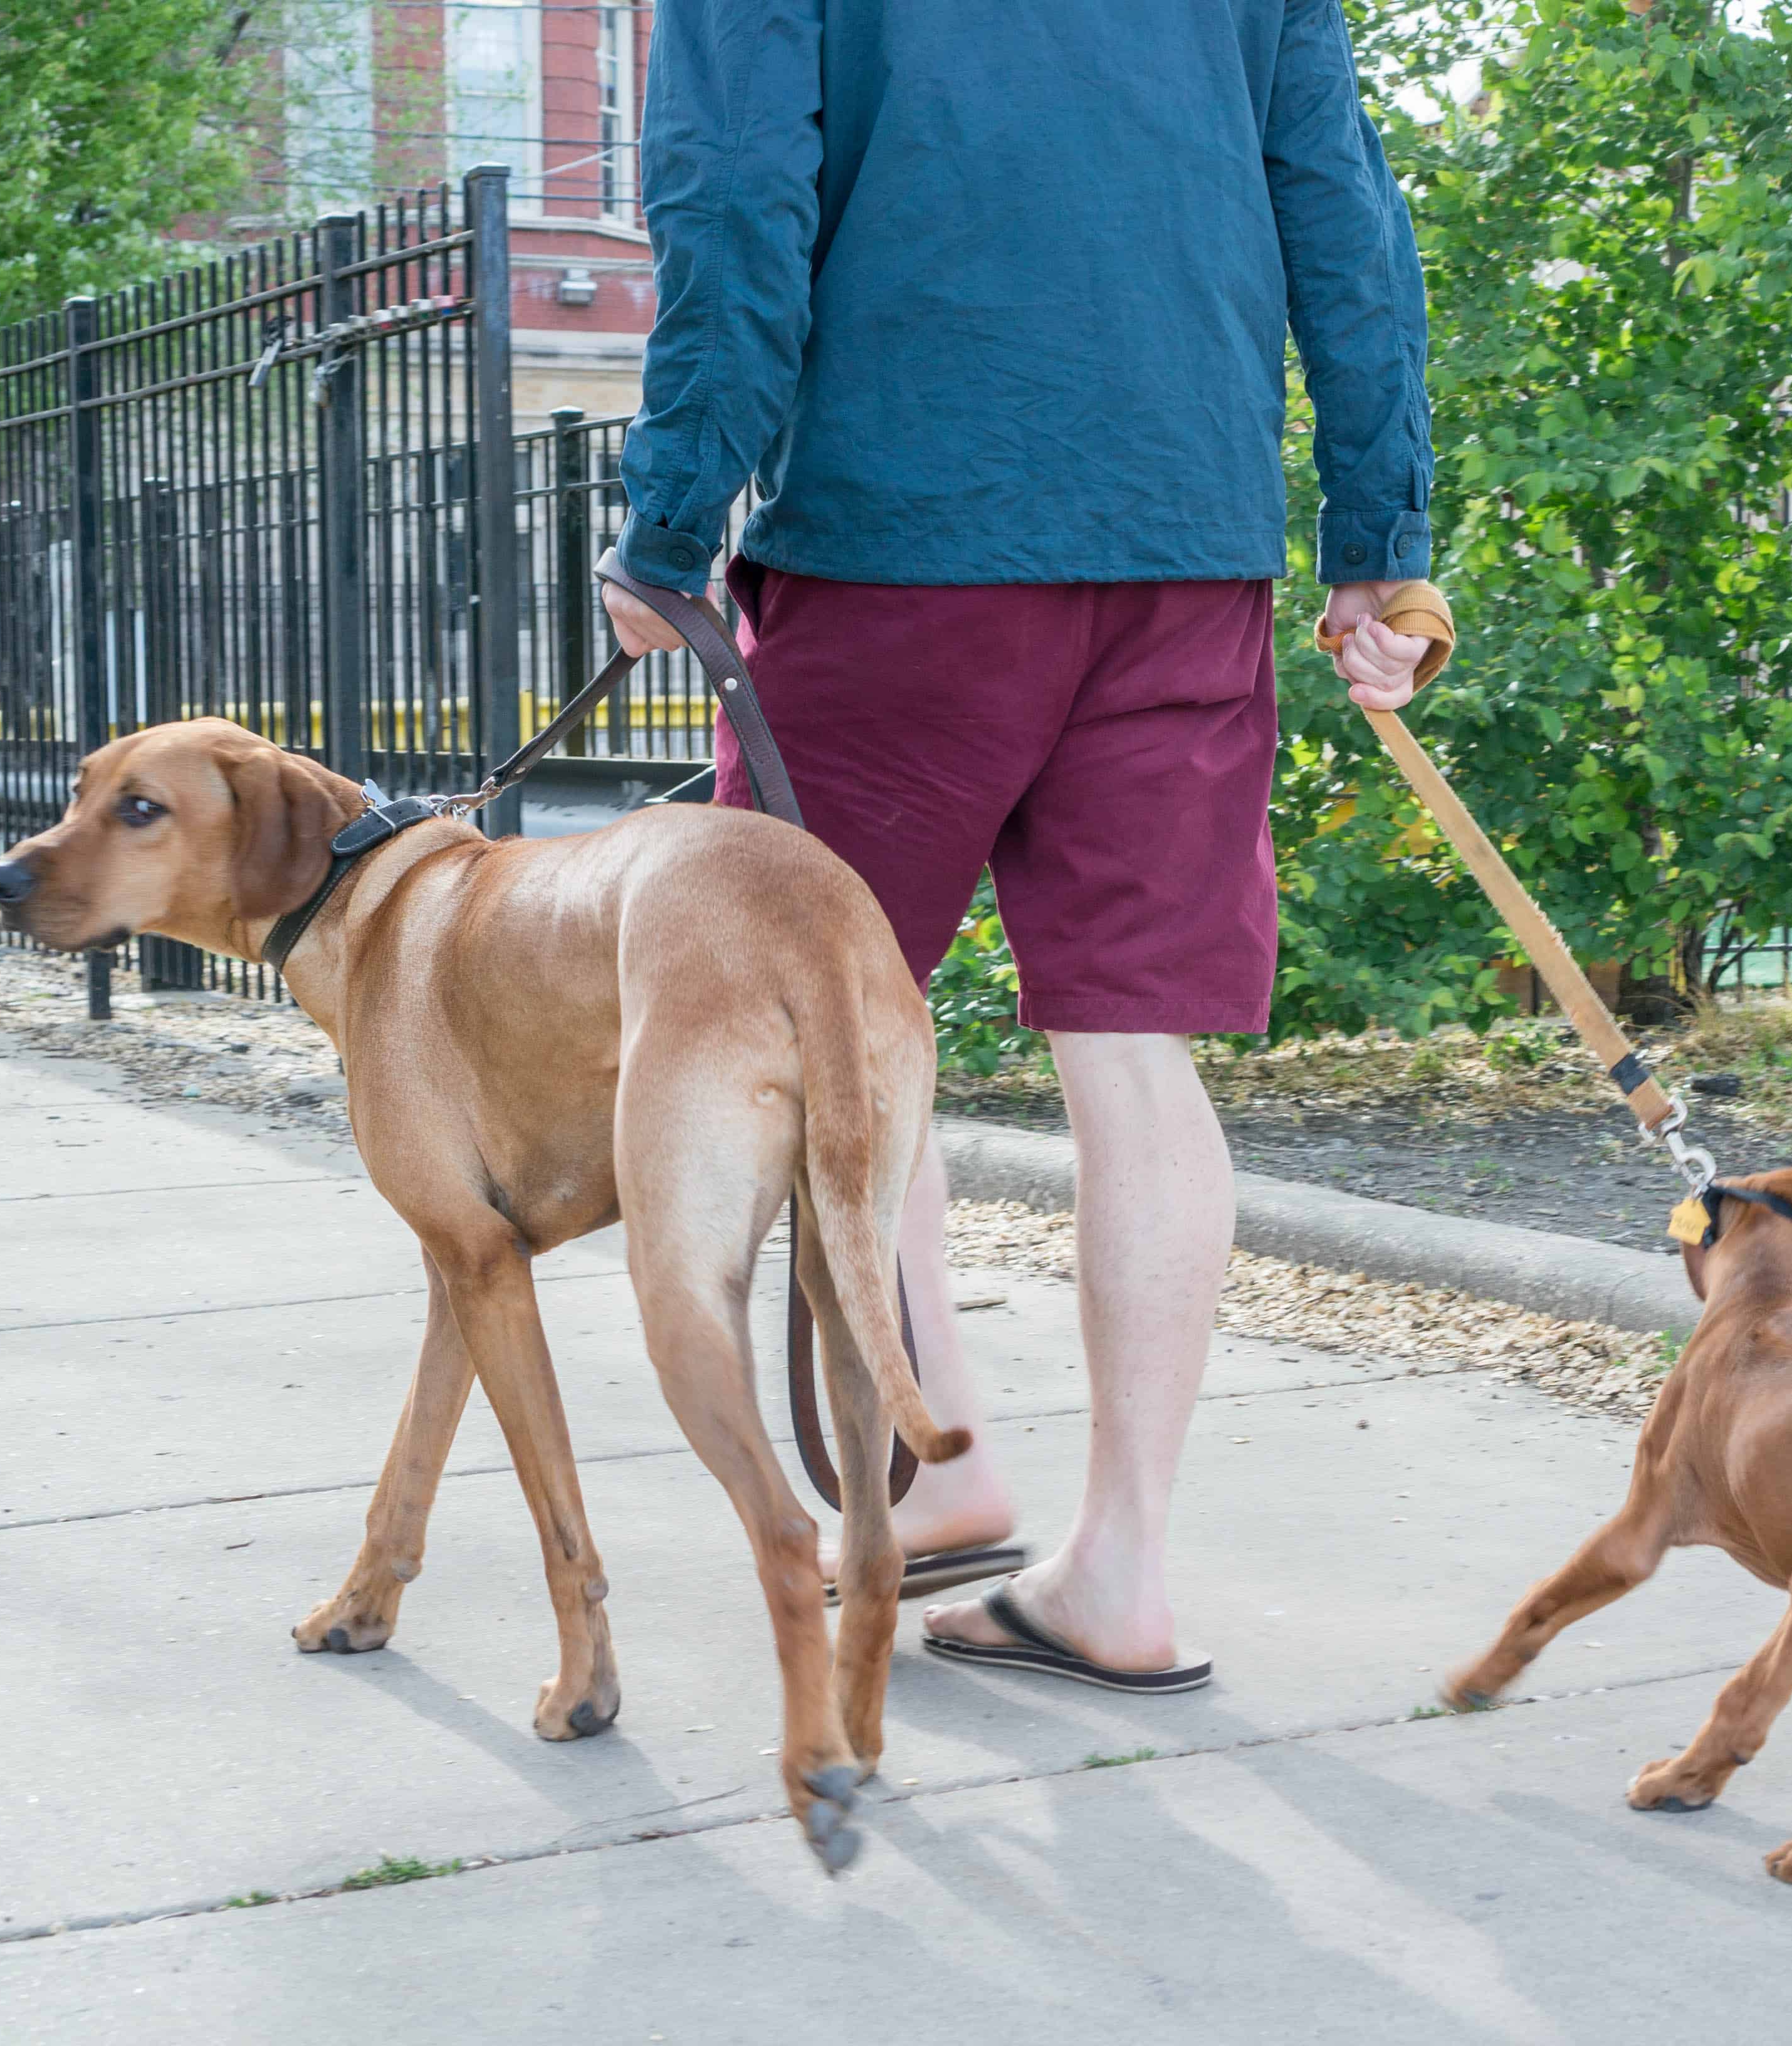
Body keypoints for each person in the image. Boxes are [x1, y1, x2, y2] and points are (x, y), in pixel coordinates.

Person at [604, 0, 1436, 1690]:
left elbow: (738, 210)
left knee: (823, 1018)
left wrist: (671, 524)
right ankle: (1120, 1568)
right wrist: (1378, 542)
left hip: (904, 536)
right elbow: (1345, 216)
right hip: (1184, 547)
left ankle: (936, 1466)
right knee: (1136, 1054)